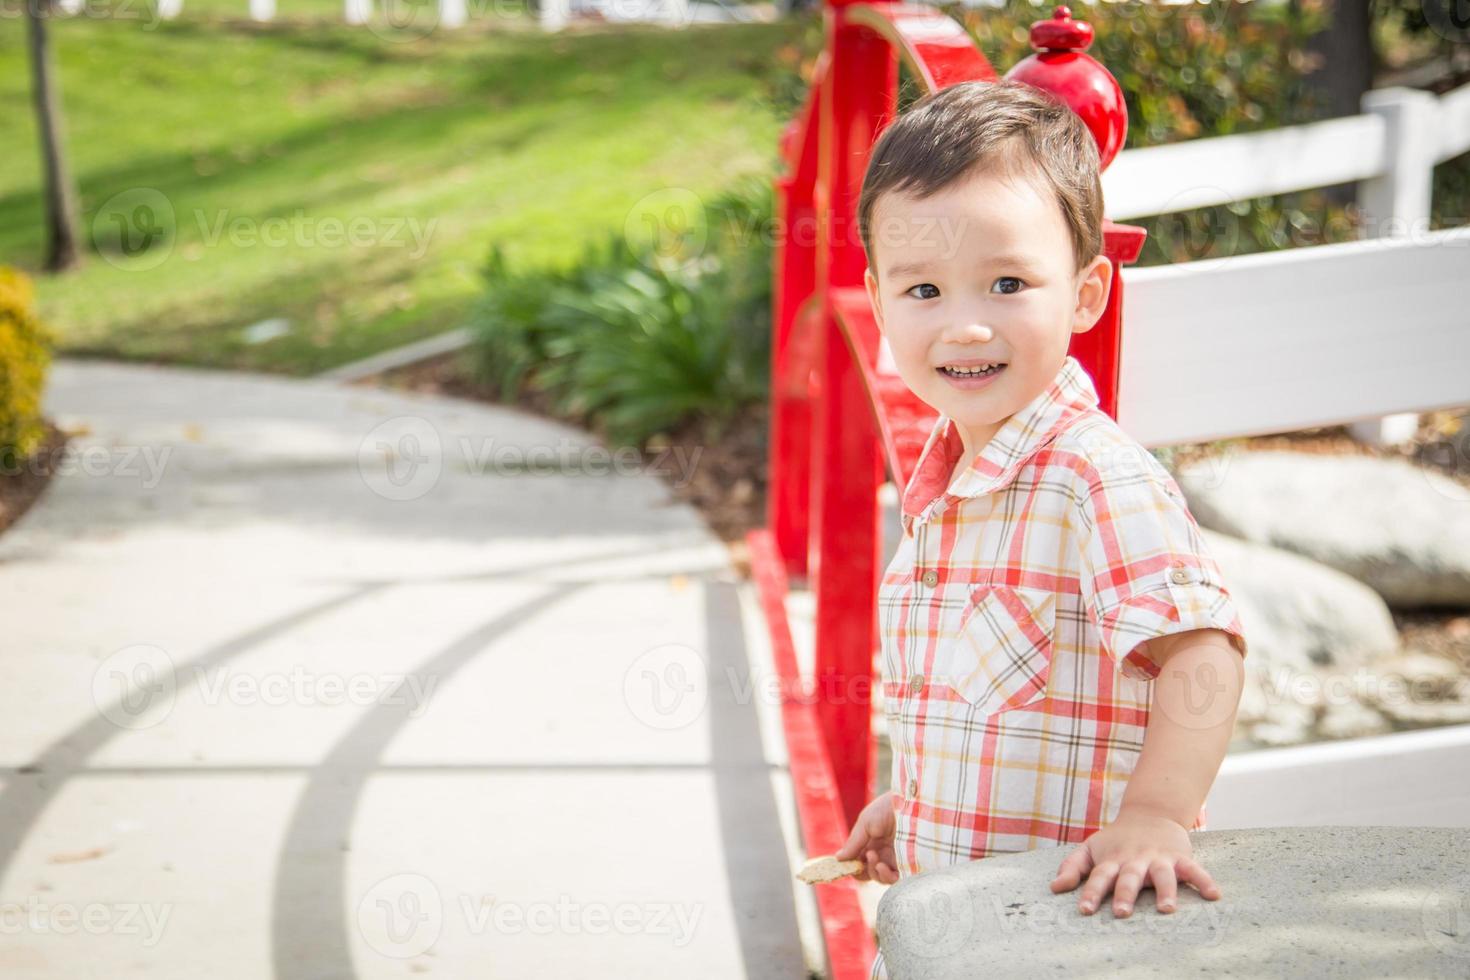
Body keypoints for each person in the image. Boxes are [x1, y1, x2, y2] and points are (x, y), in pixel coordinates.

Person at [834, 78, 1251, 980]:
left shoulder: (1092, 480)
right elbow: (991, 705)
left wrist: (1156, 816)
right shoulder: (945, 493)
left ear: (1088, 292)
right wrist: (914, 802)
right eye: (924, 290)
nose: (965, 322)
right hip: (957, 936)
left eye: (1009, 282)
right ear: (877, 298)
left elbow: (1204, 655)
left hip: (1067, 938)